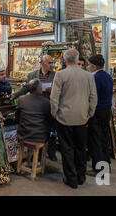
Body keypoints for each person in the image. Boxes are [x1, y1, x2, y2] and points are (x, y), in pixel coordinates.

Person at [50, 49, 97, 189]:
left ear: (65, 60)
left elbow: (54, 98)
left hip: (64, 118)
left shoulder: (60, 75)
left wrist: (55, 114)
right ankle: (81, 177)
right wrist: (89, 114)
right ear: (77, 60)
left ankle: (71, 178)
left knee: (67, 149)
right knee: (81, 148)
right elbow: (93, 97)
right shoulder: (88, 76)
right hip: (82, 118)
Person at [87, 54, 113, 175]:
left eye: (88, 65)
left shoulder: (95, 78)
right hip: (106, 111)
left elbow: (93, 97)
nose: (87, 67)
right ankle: (106, 165)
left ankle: (99, 169)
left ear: (93, 66)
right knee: (104, 138)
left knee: (95, 140)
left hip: (97, 112)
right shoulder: (108, 76)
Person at [16, 79, 53, 144]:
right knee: (52, 136)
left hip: (23, 136)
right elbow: (49, 121)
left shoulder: (21, 100)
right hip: (40, 138)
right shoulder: (46, 102)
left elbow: (17, 118)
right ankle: (47, 154)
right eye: (41, 87)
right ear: (39, 89)